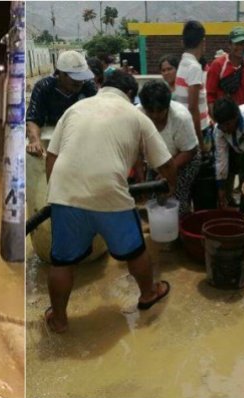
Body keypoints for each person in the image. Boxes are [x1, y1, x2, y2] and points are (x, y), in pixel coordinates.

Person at [44, 71, 177, 333]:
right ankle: (149, 294)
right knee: (135, 250)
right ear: (130, 94)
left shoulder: (75, 109)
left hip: (64, 190)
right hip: (109, 190)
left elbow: (51, 156)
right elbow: (167, 164)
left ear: (101, 86)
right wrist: (168, 190)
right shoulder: (136, 115)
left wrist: (56, 196)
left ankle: (59, 318)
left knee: (61, 262)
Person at [137, 80, 200, 215]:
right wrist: (140, 180)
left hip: (184, 159)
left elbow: (190, 150)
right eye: (150, 111)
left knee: (175, 199)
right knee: (153, 199)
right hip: (156, 162)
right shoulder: (137, 115)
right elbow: (137, 152)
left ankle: (181, 227)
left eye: (159, 111)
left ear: (167, 106)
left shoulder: (180, 117)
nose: (154, 116)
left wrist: (168, 170)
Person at [26, 50, 97, 157]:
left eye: (82, 77)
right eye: (76, 78)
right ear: (61, 74)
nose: (80, 82)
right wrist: (34, 141)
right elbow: (33, 119)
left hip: (82, 134)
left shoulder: (88, 87)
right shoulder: (44, 87)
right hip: (52, 134)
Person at [206, 26, 244, 115]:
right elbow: (210, 96)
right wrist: (216, 121)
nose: (240, 47)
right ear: (230, 45)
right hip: (223, 118)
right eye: (237, 43)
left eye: (243, 44)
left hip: (243, 116)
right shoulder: (218, 65)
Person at [174, 20, 209, 152]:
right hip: (197, 129)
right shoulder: (194, 67)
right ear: (203, 42)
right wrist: (200, 142)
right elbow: (193, 107)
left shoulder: (184, 62)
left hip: (186, 127)